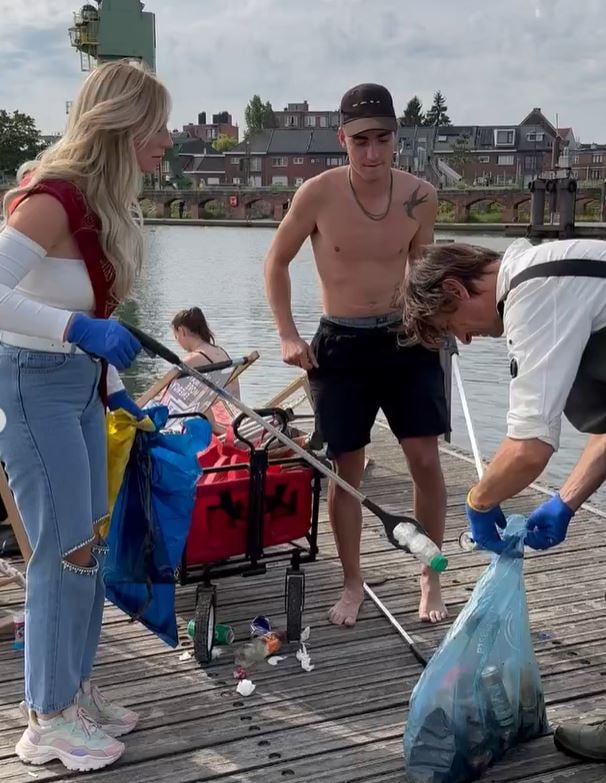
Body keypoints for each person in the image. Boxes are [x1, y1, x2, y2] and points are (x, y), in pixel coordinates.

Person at [0, 60, 172, 771]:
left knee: (88, 543)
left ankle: (71, 690)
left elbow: (85, 308)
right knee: (61, 548)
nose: (168, 140)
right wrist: (76, 330)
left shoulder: (100, 205)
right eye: (158, 127)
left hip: (79, 384)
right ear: (121, 127)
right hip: (32, 383)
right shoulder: (52, 198)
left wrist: (114, 382)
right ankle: (46, 719)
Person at [400, 236, 606, 760]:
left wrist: (478, 500)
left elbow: (529, 448)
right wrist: (567, 499)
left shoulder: (535, 293)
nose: (466, 340)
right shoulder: (548, 273)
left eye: (453, 326)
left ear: (456, 289)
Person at [264, 83, 449, 628]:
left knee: (425, 459)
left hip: (405, 337)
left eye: (382, 140)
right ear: (342, 138)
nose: (372, 153)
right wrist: (288, 335)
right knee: (348, 469)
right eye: (361, 140)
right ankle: (352, 582)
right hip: (340, 343)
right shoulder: (317, 194)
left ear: (396, 139)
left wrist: (442, 322)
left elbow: (422, 269)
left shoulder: (420, 196)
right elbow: (275, 262)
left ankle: (430, 572)